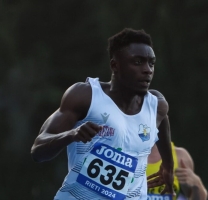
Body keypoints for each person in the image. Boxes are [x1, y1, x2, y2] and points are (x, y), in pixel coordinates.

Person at [31, 28, 174, 200]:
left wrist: (168, 166)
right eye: (138, 62)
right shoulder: (85, 96)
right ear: (115, 65)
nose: (147, 70)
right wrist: (71, 135)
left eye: (151, 63)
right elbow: (38, 151)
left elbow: (163, 122)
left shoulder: (156, 105)